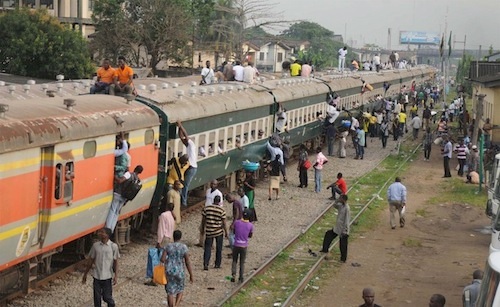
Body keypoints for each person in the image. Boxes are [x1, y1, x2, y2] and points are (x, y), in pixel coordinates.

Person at [82, 227, 119, 307]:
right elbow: (90, 261)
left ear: (107, 235)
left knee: (107, 297)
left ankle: (111, 304)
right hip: (97, 276)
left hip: (107, 276)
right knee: (97, 298)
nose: (100, 233)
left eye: (102, 232)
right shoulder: (95, 246)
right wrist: (85, 274)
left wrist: (116, 276)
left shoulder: (113, 247)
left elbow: (116, 262)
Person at [105, 165, 144, 232]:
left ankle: (107, 228)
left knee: (112, 210)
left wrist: (114, 176)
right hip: (124, 198)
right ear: (140, 172)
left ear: (135, 168)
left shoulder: (129, 174)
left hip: (118, 194)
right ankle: (111, 229)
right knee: (117, 212)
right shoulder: (138, 180)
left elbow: (120, 181)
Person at [160, 230, 193, 307]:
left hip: (169, 270)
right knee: (180, 289)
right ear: (180, 237)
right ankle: (177, 305)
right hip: (180, 271)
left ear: (173, 236)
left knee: (170, 291)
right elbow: (187, 261)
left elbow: (162, 259)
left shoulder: (168, 246)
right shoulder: (184, 247)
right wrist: (191, 274)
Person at [319, 194, 350, 263]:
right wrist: (337, 200)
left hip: (343, 230)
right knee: (328, 235)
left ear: (343, 199)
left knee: (343, 245)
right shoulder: (341, 206)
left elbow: (347, 221)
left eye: (341, 198)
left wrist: (345, 230)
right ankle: (325, 249)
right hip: (337, 228)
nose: (340, 199)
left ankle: (343, 259)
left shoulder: (346, 208)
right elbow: (334, 205)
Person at [201, 195, 228, 270]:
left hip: (209, 231)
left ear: (213, 200)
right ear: (219, 202)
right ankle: (217, 264)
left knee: (207, 248)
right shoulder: (222, 210)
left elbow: (203, 220)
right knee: (219, 248)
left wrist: (202, 229)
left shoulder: (207, 208)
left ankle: (206, 263)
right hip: (218, 232)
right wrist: (226, 232)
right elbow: (224, 222)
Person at [177, 121, 198, 206]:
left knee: (185, 184)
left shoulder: (191, 145)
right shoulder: (188, 146)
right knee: (182, 183)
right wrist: (179, 128)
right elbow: (181, 137)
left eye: (185, 141)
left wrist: (181, 126)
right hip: (188, 167)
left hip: (192, 168)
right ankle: (182, 200)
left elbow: (185, 135)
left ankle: (184, 202)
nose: (184, 141)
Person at [230, 209, 254, 283]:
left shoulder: (237, 222)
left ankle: (233, 275)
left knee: (234, 260)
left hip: (236, 244)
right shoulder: (250, 225)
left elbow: (234, 231)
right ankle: (241, 277)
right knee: (242, 262)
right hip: (244, 246)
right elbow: (250, 235)